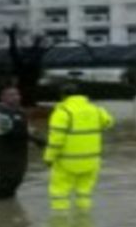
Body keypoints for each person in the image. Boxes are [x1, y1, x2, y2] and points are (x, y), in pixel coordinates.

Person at [44, 82, 114, 211]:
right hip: (91, 162)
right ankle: (84, 222)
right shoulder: (96, 110)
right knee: (84, 193)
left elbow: (56, 140)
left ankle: (60, 223)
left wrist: (48, 158)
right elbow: (109, 122)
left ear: (63, 96)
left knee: (60, 194)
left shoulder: (62, 112)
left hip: (66, 162)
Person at [0, 86, 44, 200]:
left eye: (17, 94)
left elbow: (26, 129)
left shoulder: (20, 112)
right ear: (3, 97)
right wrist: (31, 135)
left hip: (20, 153)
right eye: (11, 95)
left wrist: (38, 138)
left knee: (17, 179)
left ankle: (9, 205)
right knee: (7, 180)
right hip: (6, 154)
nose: (16, 97)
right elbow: (7, 131)